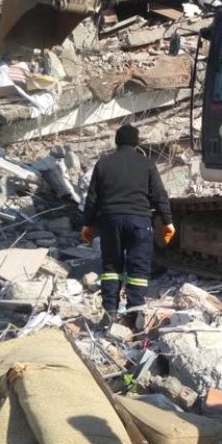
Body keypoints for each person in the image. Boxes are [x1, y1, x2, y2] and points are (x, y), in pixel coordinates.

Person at [81, 124, 175, 323]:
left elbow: (92, 199)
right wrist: (167, 221)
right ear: (136, 142)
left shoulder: (103, 164)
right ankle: (135, 314)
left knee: (111, 268)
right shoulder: (146, 163)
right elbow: (159, 195)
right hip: (139, 222)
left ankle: (110, 313)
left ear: (117, 141)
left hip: (110, 222)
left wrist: (87, 224)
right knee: (138, 270)